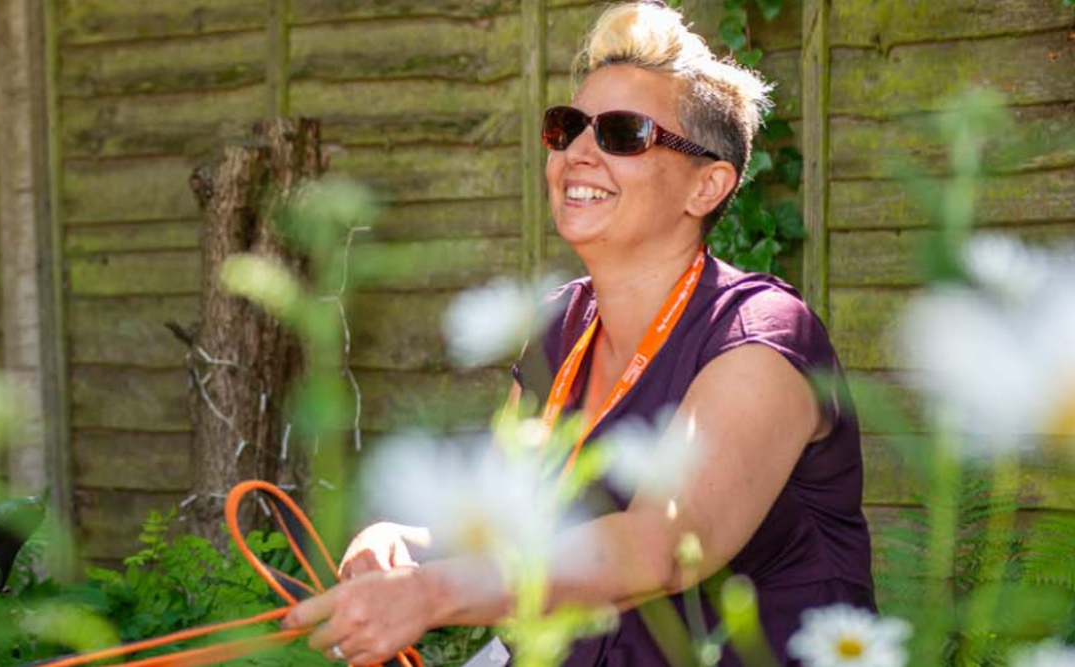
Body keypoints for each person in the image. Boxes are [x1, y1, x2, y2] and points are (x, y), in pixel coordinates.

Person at [284, 2, 874, 665]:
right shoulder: (556, 329)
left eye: (624, 133)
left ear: (707, 186)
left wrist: (434, 592)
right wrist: (409, 545)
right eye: (567, 128)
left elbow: (662, 545)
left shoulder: (762, 335)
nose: (578, 153)